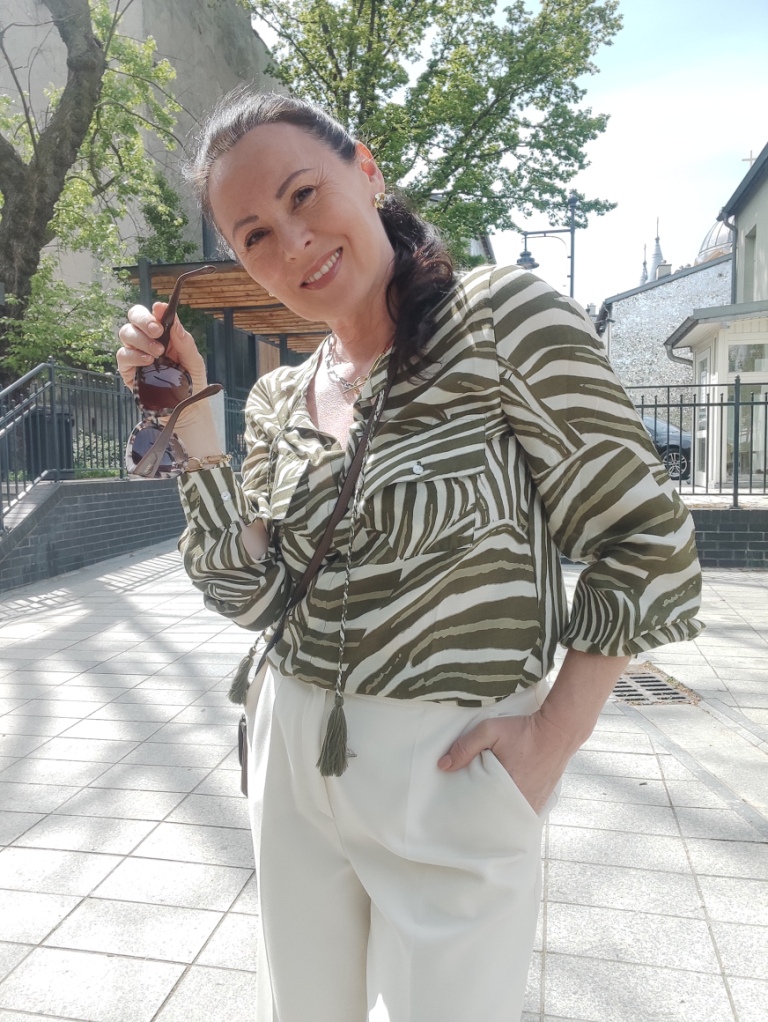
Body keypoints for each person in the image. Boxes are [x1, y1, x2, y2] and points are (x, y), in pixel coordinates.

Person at [117, 90, 704, 1022]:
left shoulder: (500, 320)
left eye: (304, 194)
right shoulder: (278, 400)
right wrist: (187, 414)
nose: (293, 243)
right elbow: (247, 595)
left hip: (452, 764)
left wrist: (551, 742)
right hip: (289, 746)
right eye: (255, 235)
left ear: (367, 170)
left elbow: (648, 539)